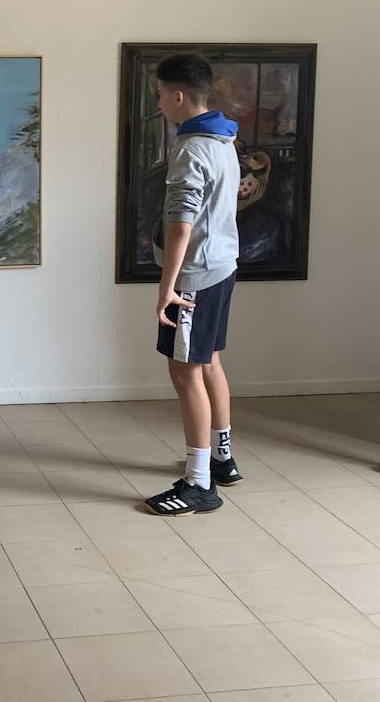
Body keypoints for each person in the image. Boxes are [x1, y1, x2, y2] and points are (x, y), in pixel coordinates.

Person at [144, 54, 242, 516]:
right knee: (208, 362)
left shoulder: (190, 148)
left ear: (178, 96)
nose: (160, 102)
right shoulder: (223, 139)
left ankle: (199, 483)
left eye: (161, 94)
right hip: (222, 265)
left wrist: (168, 287)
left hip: (195, 275)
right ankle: (221, 458)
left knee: (185, 371)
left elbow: (181, 223)